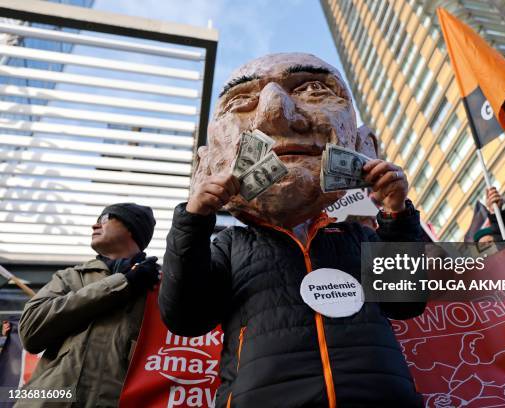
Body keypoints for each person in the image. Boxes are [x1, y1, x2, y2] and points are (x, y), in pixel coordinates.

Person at [160, 53, 426, 407]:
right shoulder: (229, 246)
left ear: (366, 147)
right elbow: (186, 316)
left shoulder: (359, 238)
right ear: (206, 166)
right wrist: (193, 220)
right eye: (241, 101)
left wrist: (396, 211)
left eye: (314, 89)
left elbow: (407, 302)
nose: (274, 113)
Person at [17, 203, 160, 407]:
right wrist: (122, 283)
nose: (94, 226)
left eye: (104, 219)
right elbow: (30, 331)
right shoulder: (69, 277)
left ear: (131, 228)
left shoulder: (159, 290)